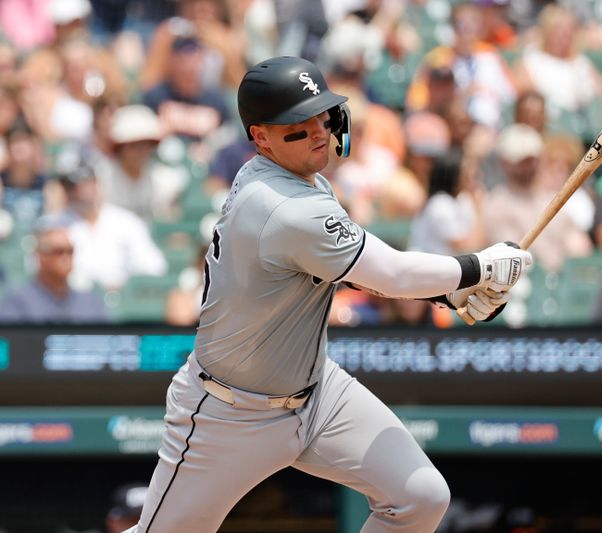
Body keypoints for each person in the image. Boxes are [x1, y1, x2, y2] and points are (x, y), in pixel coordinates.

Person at [127, 56, 532, 533]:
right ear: (260, 137)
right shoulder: (283, 205)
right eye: (296, 127)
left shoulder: (301, 179)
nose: (318, 132)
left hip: (318, 394)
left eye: (321, 115)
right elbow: (394, 273)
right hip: (229, 414)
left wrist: (450, 297)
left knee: (419, 497)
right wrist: (477, 268)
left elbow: (350, 271)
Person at [53, 147, 167, 291]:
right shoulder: (54, 226)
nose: (80, 190)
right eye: (71, 185)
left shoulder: (126, 222)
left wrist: (125, 284)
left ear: (96, 182)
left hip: (122, 300)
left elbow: (155, 267)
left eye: (86, 181)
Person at [483, 124, 591, 271]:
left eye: (531, 160)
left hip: (560, 282)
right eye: (521, 161)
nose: (528, 166)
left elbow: (578, 246)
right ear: (504, 163)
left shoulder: (552, 198)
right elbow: (513, 259)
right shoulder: (496, 203)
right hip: (520, 286)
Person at [0, 217, 107, 324]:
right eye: (59, 251)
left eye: (70, 251)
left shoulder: (89, 302)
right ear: (41, 256)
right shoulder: (18, 301)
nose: (66, 258)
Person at [408, 149, 486, 255]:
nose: (470, 176)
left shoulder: (463, 200)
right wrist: (478, 208)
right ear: (453, 174)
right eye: (465, 171)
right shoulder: (439, 204)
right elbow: (466, 246)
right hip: (429, 266)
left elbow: (479, 243)